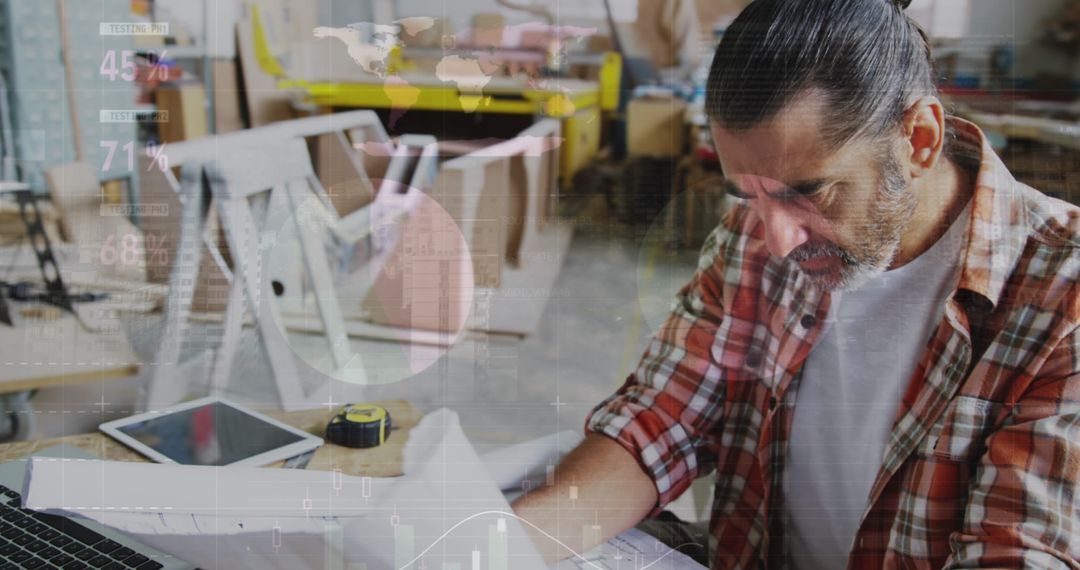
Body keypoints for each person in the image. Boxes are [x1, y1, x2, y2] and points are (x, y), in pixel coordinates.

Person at [512, 0, 1080, 568]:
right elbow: (660, 422)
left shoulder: (1062, 298)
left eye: (808, 191)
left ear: (919, 140)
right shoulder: (752, 242)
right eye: (749, 193)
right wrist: (501, 547)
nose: (779, 240)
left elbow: (1015, 552)